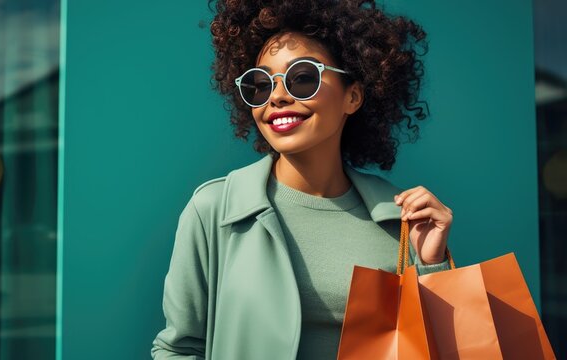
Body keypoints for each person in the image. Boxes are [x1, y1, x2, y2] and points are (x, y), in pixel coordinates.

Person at [152, 0, 454, 359]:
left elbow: (436, 350)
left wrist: (432, 263)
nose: (278, 96)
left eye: (303, 78)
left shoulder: (400, 220)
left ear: (353, 96)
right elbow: (178, 349)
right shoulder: (215, 211)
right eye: (260, 84)